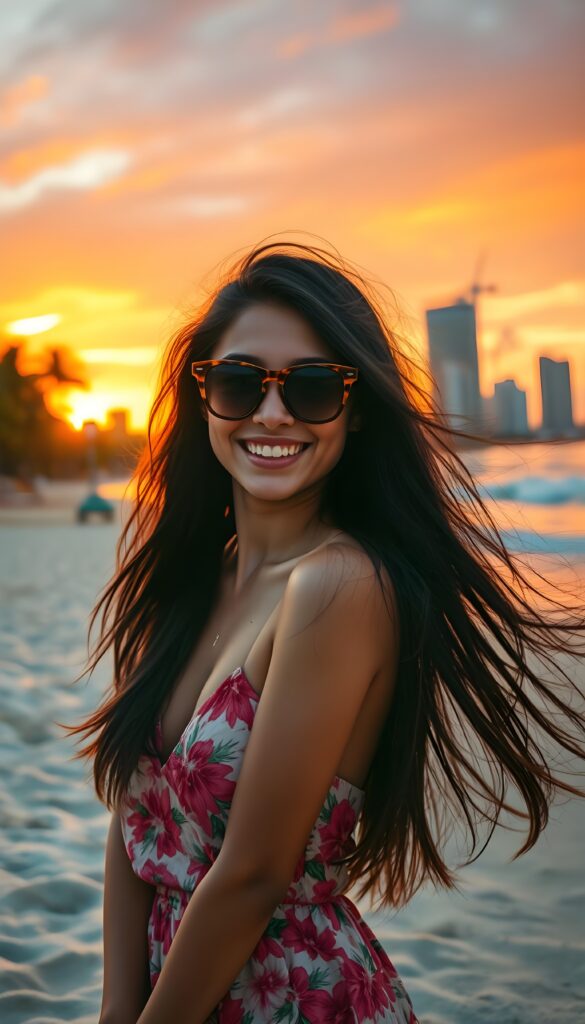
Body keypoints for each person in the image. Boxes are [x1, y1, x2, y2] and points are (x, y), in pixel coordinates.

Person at [65, 240, 585, 1024]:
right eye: (240, 383)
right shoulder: (191, 576)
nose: (271, 413)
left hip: (290, 997)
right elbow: (132, 824)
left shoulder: (337, 587)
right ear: (202, 394)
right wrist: (115, 1010)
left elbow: (252, 875)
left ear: (355, 408)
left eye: (311, 390)